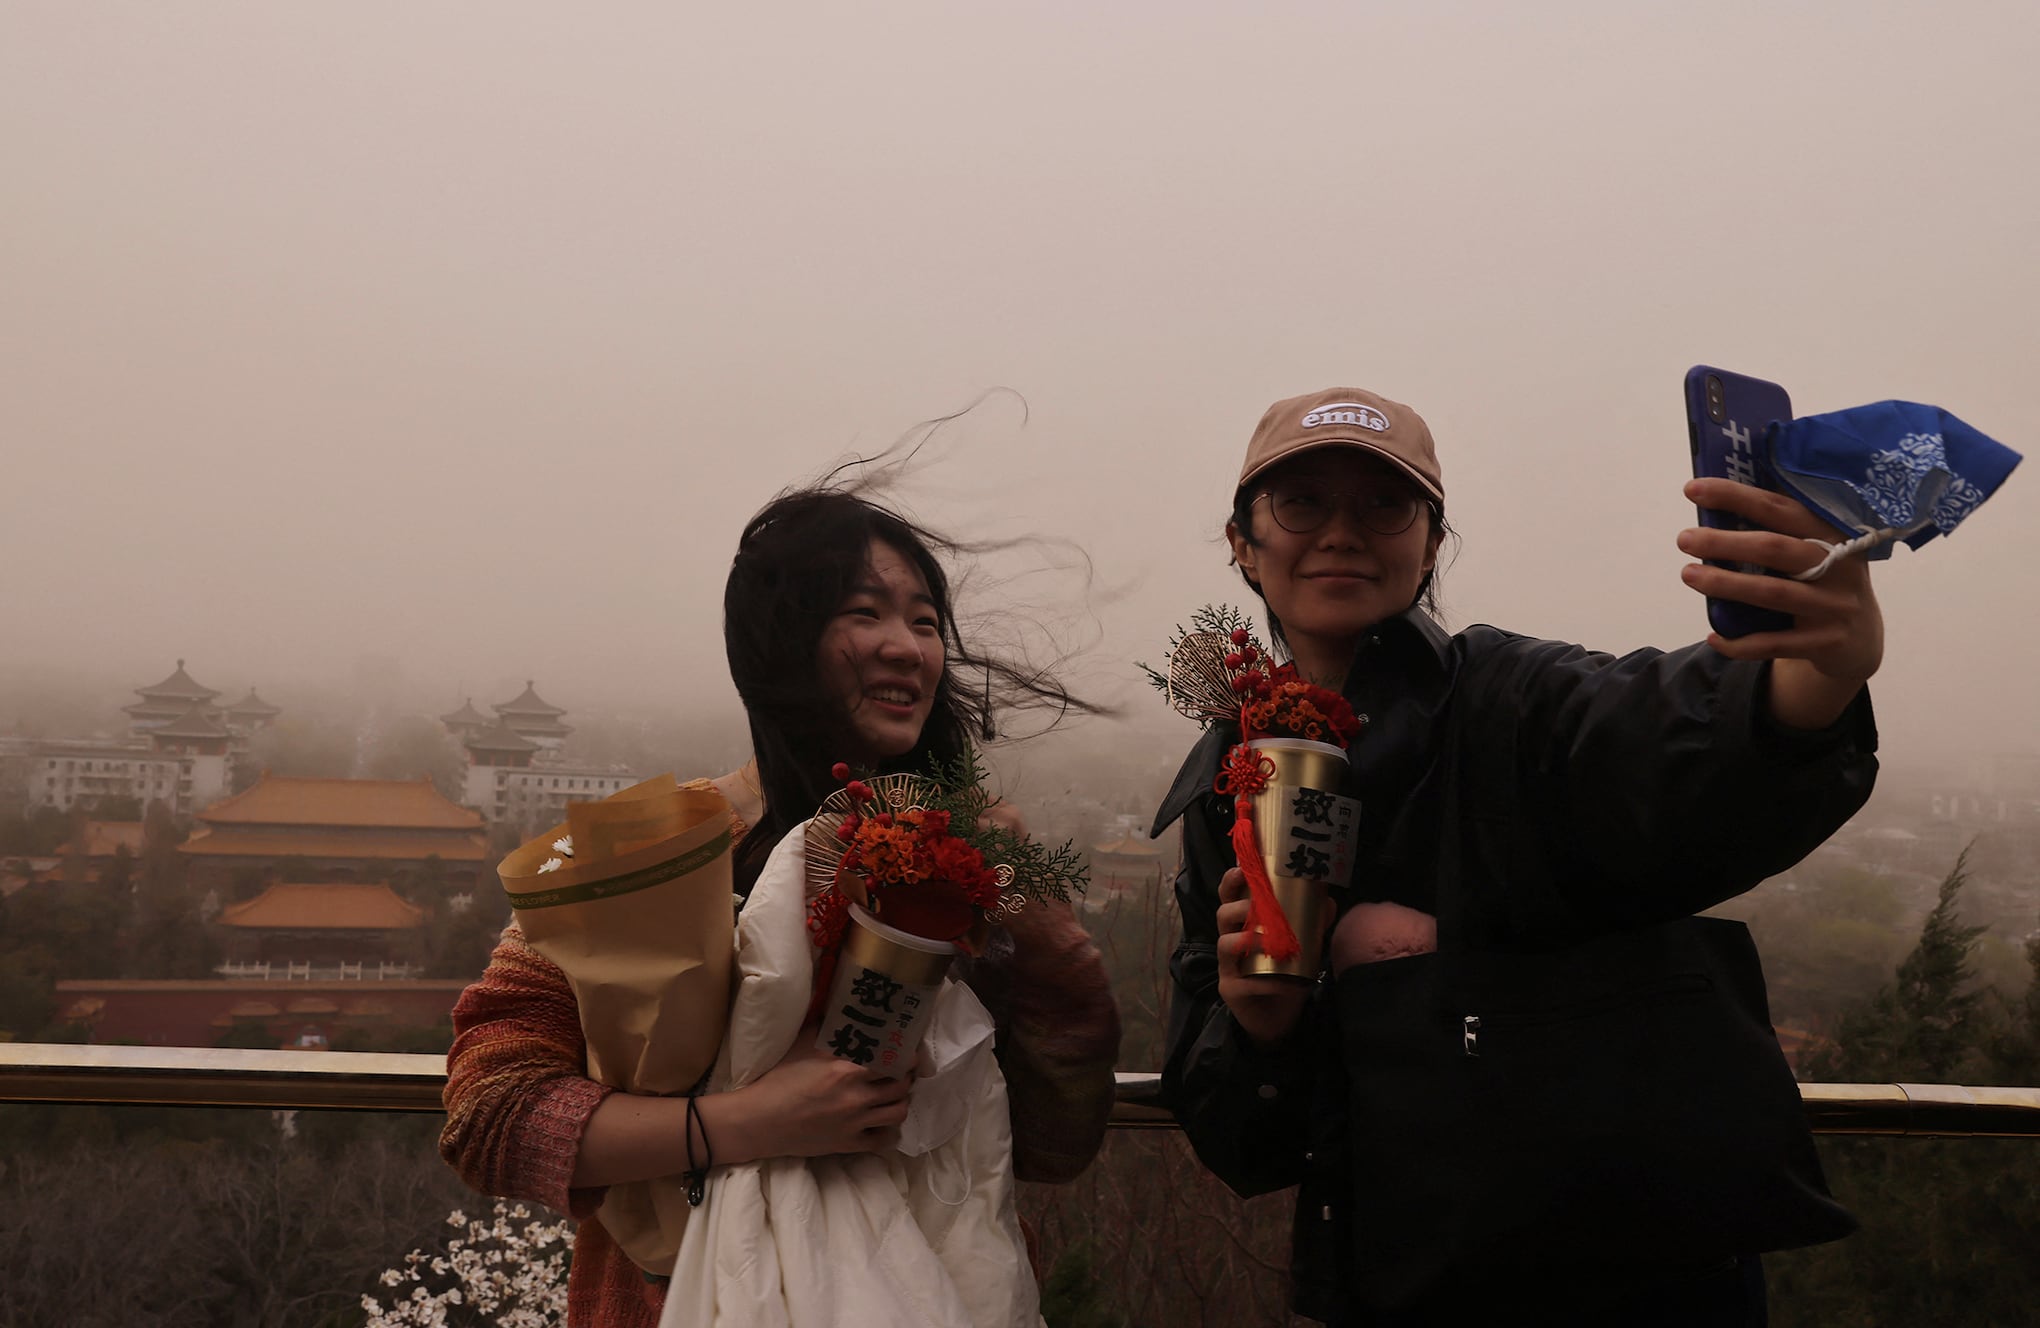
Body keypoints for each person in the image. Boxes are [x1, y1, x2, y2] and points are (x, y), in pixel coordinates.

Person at [1156, 387, 1881, 1326]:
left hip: (1631, 1277)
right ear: (1242, 543)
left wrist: (1815, 672)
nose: (1343, 532)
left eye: (1386, 505)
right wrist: (1258, 1029)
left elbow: (1660, 733)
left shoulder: (1512, 701)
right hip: (1400, 1276)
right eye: (1302, 504)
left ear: (1430, 542)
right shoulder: (1231, 782)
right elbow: (1240, 1143)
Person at [442, 478, 1121, 1328]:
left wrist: (1046, 943)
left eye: (924, 621)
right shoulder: (662, 851)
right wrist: (749, 1122)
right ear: (779, 641)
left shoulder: (968, 862)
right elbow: (490, 1114)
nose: (907, 648)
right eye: (865, 612)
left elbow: (1057, 1145)